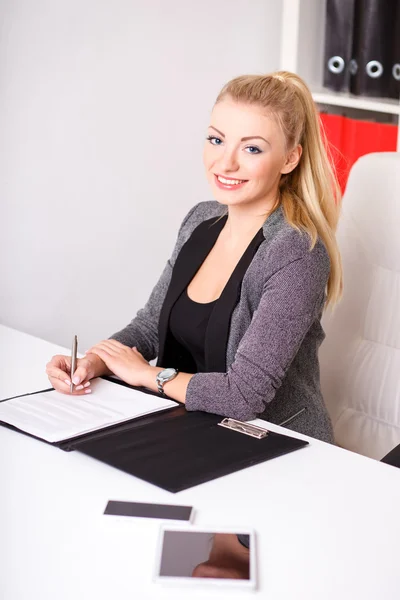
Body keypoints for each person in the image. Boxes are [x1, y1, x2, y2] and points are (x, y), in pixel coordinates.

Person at [46, 71, 343, 443]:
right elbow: (150, 326)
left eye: (251, 148)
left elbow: (244, 395)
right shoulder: (201, 220)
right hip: (186, 424)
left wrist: (146, 375)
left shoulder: (298, 253)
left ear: (289, 159)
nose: (225, 163)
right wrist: (95, 362)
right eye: (216, 140)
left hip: (268, 441)